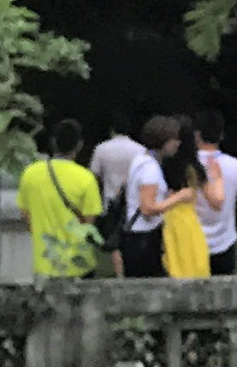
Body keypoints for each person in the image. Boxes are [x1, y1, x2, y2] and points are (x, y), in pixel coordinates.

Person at [14, 123, 103, 281]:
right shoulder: (86, 178)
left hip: (44, 263)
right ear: (80, 145)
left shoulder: (30, 174)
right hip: (79, 263)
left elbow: (25, 216)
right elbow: (89, 224)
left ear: (53, 142)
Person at [133, 117, 211, 280]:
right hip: (186, 222)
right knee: (192, 266)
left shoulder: (157, 164)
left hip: (168, 221)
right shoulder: (192, 168)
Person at [89, 118, 152, 276]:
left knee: (113, 240)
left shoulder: (101, 149)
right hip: (133, 202)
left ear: (112, 130)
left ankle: (118, 272)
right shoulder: (140, 149)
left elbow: (93, 176)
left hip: (110, 201)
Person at [195, 112, 237, 278]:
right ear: (221, 135)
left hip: (193, 242)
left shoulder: (187, 165)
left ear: (196, 134)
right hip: (225, 241)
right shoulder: (236, 165)